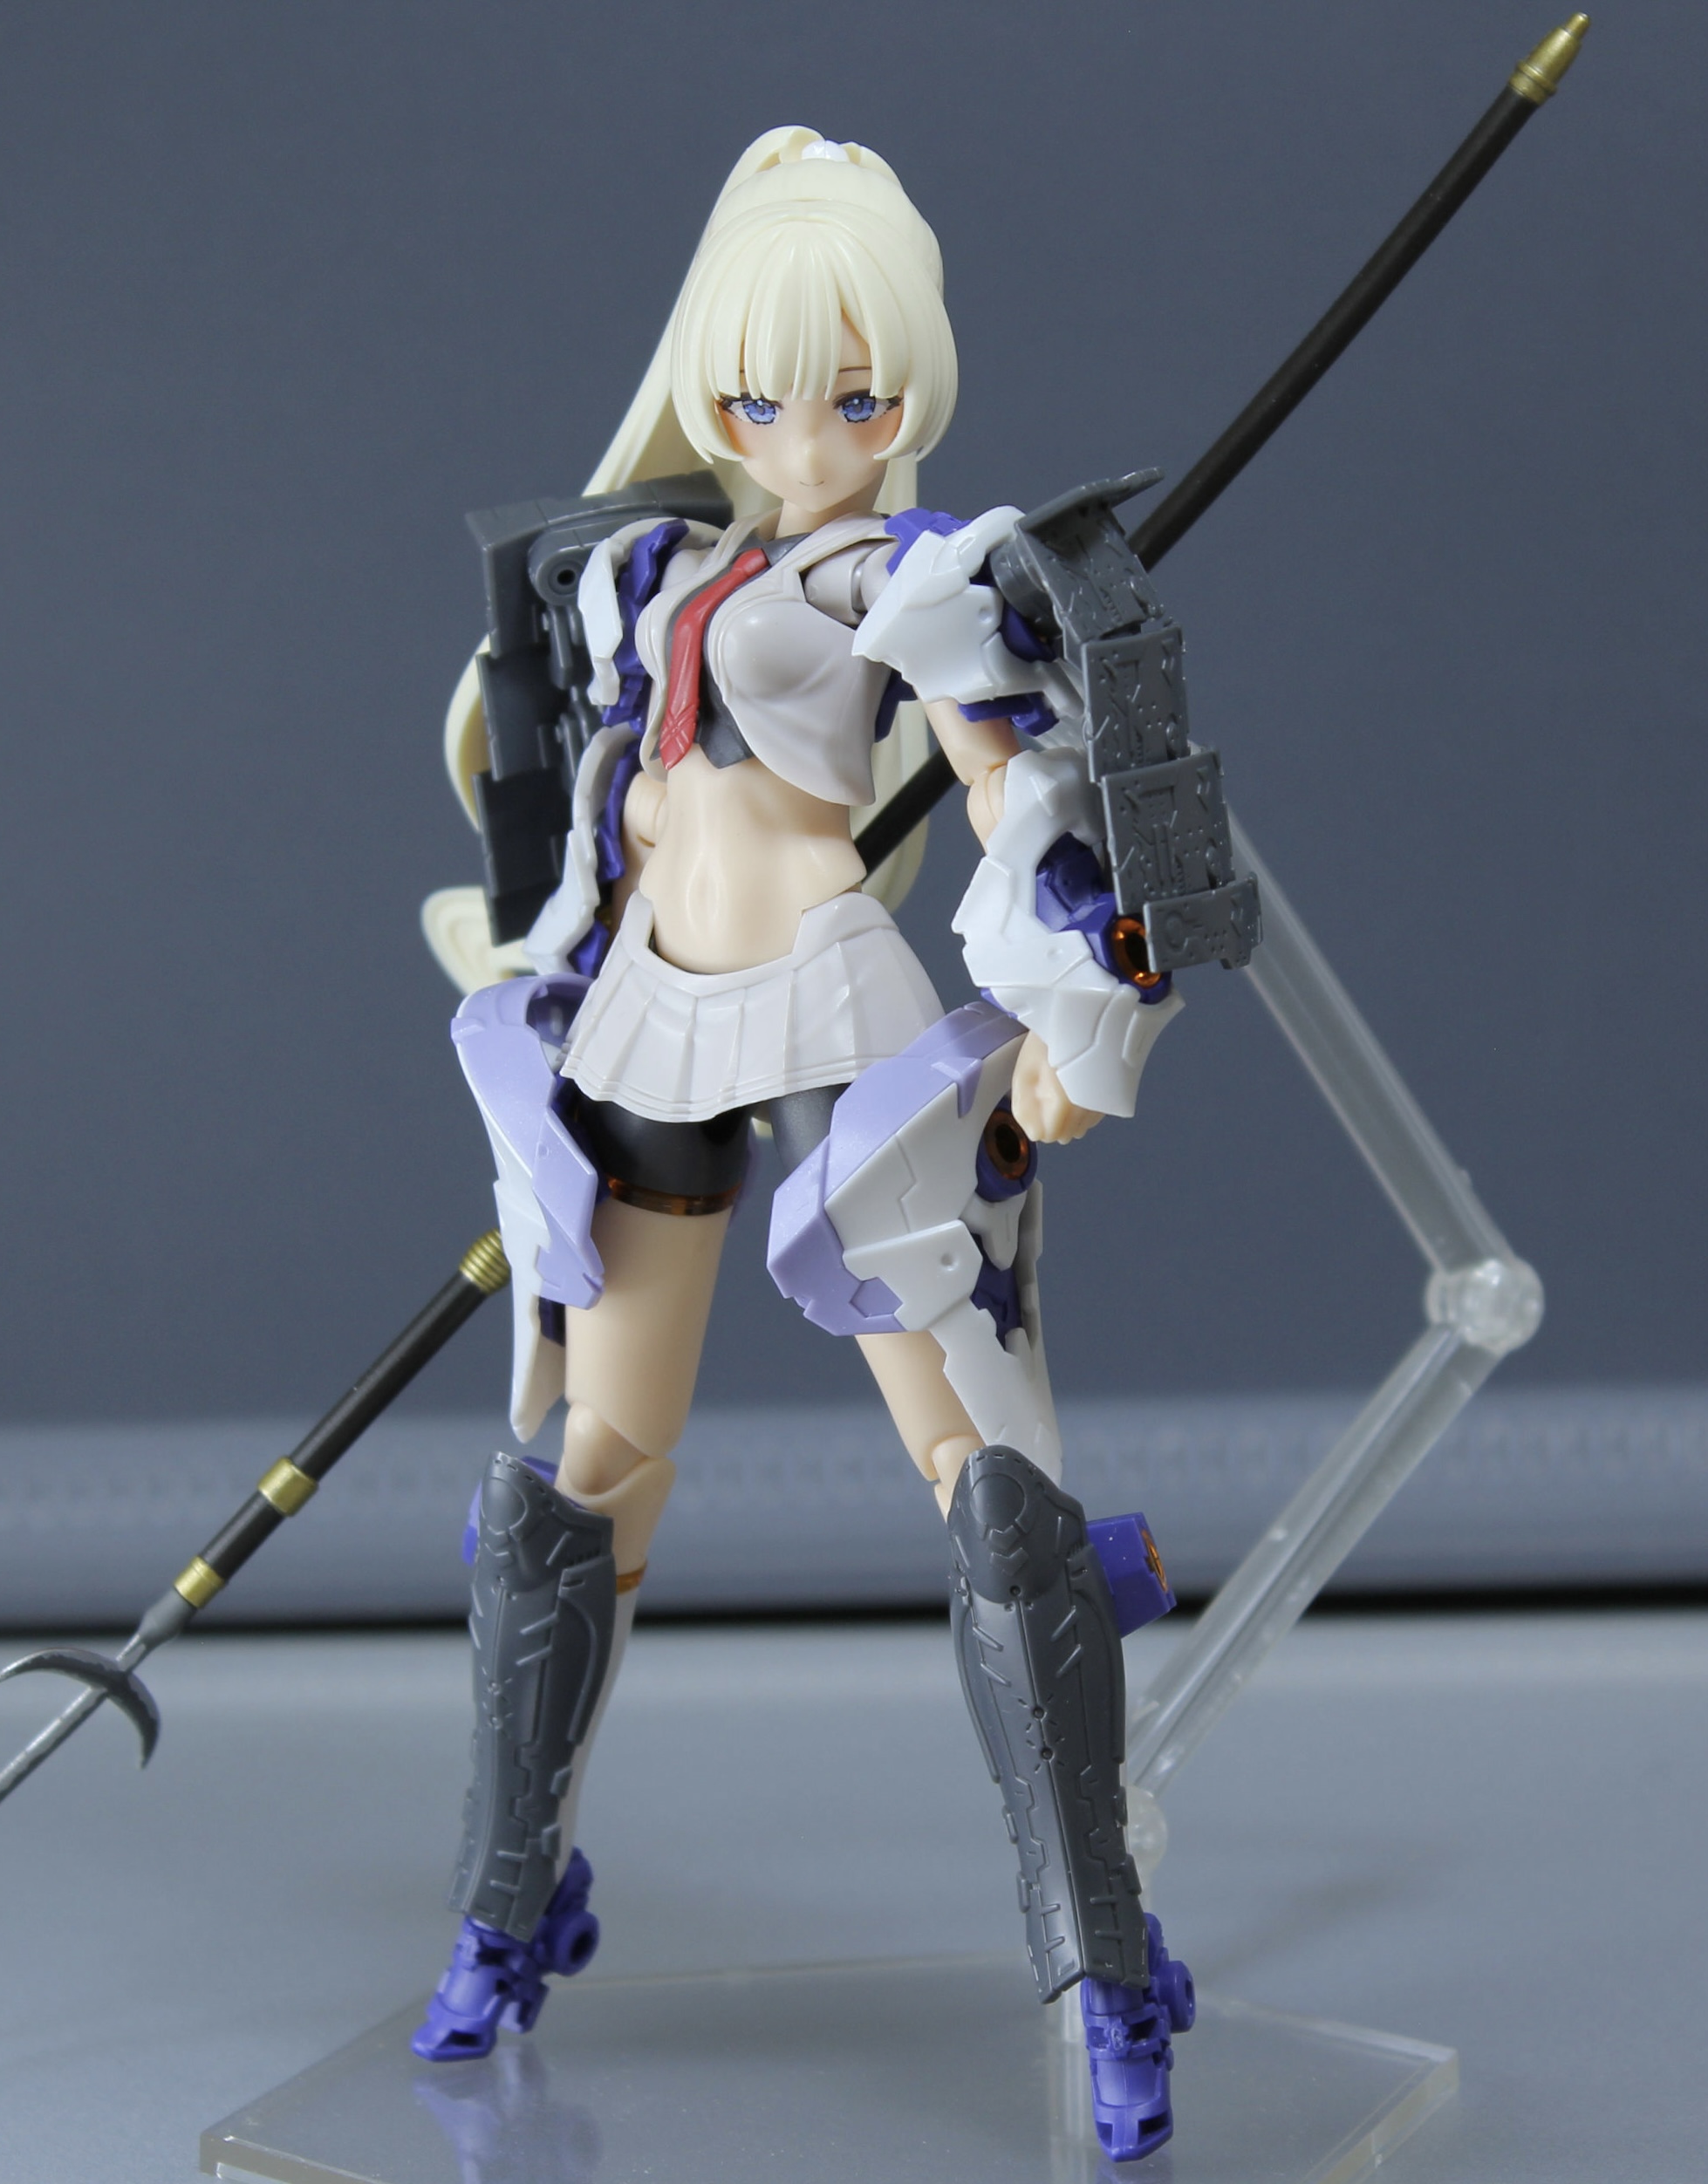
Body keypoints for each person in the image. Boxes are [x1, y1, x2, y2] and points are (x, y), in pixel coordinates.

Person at [421, 128, 1195, 2162]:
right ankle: (509, 1900)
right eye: (765, 398)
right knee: (586, 1472)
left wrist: (1075, 1007)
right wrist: (543, 957)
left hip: (836, 1007)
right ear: (712, 390)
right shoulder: (654, 571)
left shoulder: (910, 575)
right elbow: (608, 797)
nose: (809, 436)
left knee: (988, 1486)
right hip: (644, 1013)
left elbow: (1023, 796)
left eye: (853, 395)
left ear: (905, 389)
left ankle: (1106, 1956)